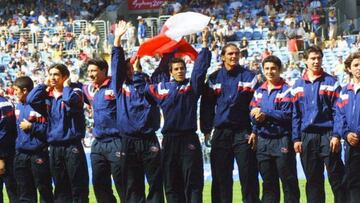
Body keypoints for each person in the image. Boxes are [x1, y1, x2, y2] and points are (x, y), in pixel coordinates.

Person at [146, 29, 211, 203]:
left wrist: (204, 45)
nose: (180, 71)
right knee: (171, 183)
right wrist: (164, 53)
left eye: (182, 68)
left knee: (193, 182)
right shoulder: (162, 88)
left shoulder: (192, 87)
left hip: (188, 138)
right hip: (169, 140)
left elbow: (200, 69)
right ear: (171, 72)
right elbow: (147, 86)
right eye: (176, 69)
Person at [111, 21, 164, 203]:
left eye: (131, 66)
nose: (128, 70)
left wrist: (170, 45)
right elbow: (117, 64)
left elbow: (163, 71)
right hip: (128, 141)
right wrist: (117, 40)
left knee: (156, 183)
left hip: (149, 138)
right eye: (125, 68)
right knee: (132, 185)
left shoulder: (149, 86)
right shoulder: (119, 87)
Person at [200, 43, 260, 203]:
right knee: (220, 178)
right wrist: (206, 130)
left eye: (236, 53)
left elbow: (258, 105)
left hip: (244, 132)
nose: (234, 56)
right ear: (223, 56)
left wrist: (256, 130)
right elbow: (206, 106)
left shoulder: (250, 77)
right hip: (221, 133)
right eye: (230, 53)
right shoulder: (213, 78)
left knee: (249, 176)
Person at [27, 64, 89, 203]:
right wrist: (43, 84)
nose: (52, 78)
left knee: (78, 187)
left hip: (72, 146)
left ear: (65, 77)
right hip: (54, 148)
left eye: (56, 74)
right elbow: (31, 99)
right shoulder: (48, 97)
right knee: (60, 188)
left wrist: (67, 87)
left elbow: (69, 102)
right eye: (50, 74)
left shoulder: (75, 92)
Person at [291, 46, 345, 203]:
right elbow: (296, 114)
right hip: (307, 137)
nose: (316, 61)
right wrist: (296, 138)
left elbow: (338, 112)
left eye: (318, 58)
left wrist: (336, 135)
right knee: (313, 181)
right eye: (312, 58)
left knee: (337, 178)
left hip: (328, 135)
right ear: (305, 60)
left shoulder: (331, 82)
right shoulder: (298, 85)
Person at [250, 56, 300, 203]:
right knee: (268, 184)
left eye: (273, 68)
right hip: (263, 141)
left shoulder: (287, 90)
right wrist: (256, 117)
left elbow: (287, 114)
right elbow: (252, 111)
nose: (270, 72)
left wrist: (264, 112)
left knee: (288, 181)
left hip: (282, 140)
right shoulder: (259, 90)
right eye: (266, 69)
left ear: (279, 69)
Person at [83, 56, 123, 201]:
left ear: (104, 70)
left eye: (94, 70)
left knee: (123, 184)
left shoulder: (115, 85)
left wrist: (117, 43)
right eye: (89, 71)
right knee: (99, 185)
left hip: (116, 141)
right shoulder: (88, 89)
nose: (90, 74)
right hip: (98, 143)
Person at [13, 76, 53, 203]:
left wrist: (31, 127)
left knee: (44, 189)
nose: (14, 93)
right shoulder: (18, 106)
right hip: (21, 155)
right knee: (24, 192)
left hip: (38, 153)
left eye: (16, 90)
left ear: (25, 91)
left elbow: (49, 128)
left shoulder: (40, 105)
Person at [334, 52, 360, 203]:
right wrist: (346, 134)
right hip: (351, 144)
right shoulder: (344, 92)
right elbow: (339, 116)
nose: (359, 68)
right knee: (352, 183)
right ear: (349, 69)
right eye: (356, 65)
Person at [0, 95, 18, 203]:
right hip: (9, 153)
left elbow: (4, 133)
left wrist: (0, 157)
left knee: (13, 190)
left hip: (5, 155)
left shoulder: (4, 104)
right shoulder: (6, 102)